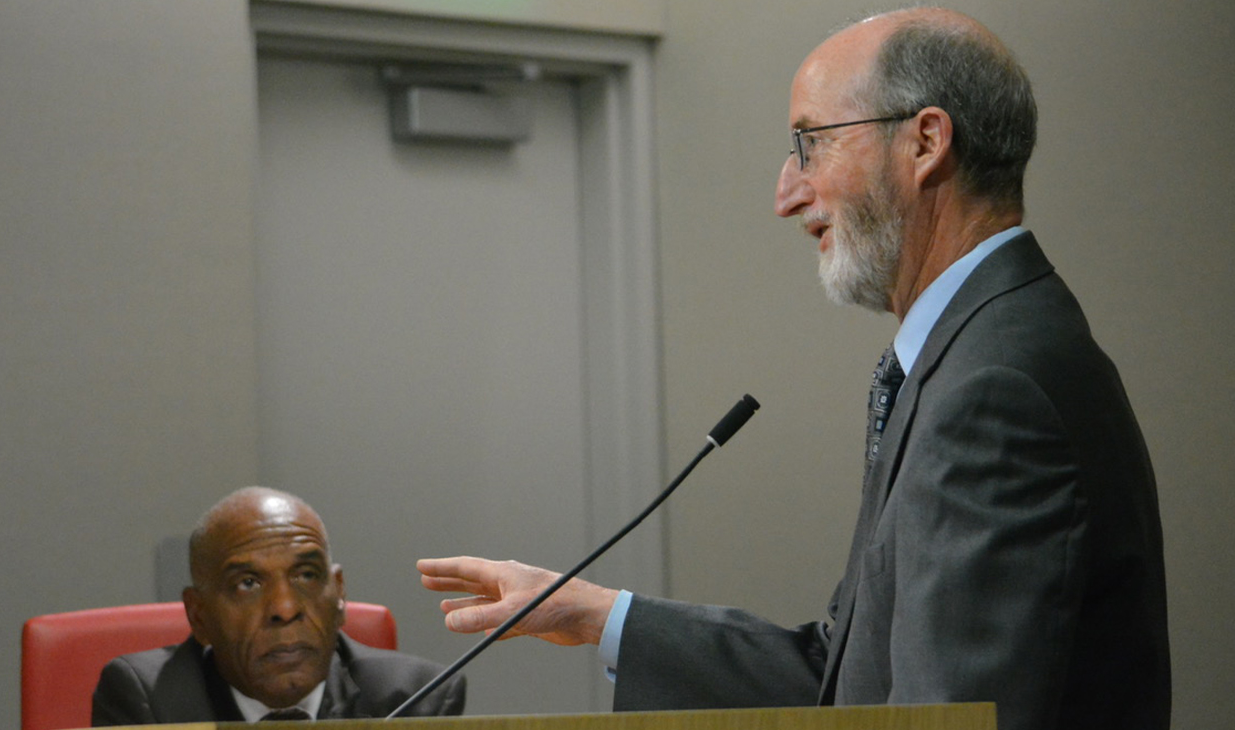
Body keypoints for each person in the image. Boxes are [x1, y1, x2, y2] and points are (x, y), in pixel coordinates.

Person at [416, 8, 1169, 730]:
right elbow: (843, 678)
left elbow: (945, 718)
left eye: (811, 143)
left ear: (925, 141)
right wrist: (593, 613)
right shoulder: (978, 350)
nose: (786, 194)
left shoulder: (994, 389)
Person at [93, 487, 465, 724]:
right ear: (199, 616)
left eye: (305, 575)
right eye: (248, 583)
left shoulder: (414, 698)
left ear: (338, 595)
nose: (285, 609)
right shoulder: (149, 701)